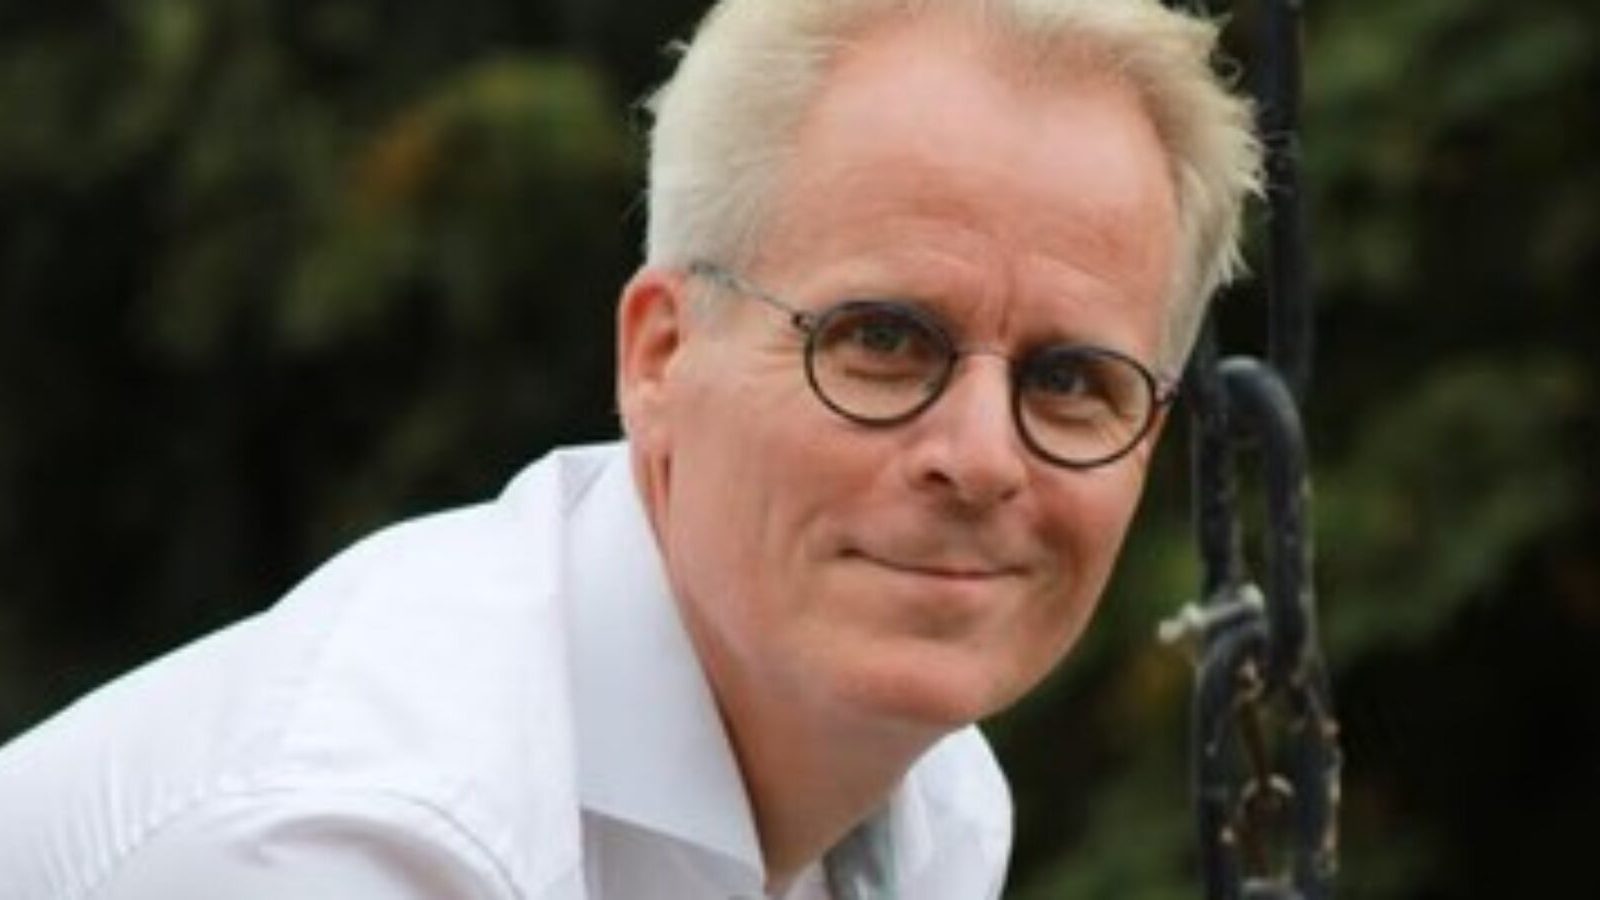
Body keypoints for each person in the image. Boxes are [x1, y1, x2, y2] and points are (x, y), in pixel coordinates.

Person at [0, 0, 1259, 896]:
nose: (981, 458)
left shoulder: (931, 802)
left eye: (1072, 382)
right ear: (660, 355)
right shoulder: (355, 840)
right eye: (881, 341)